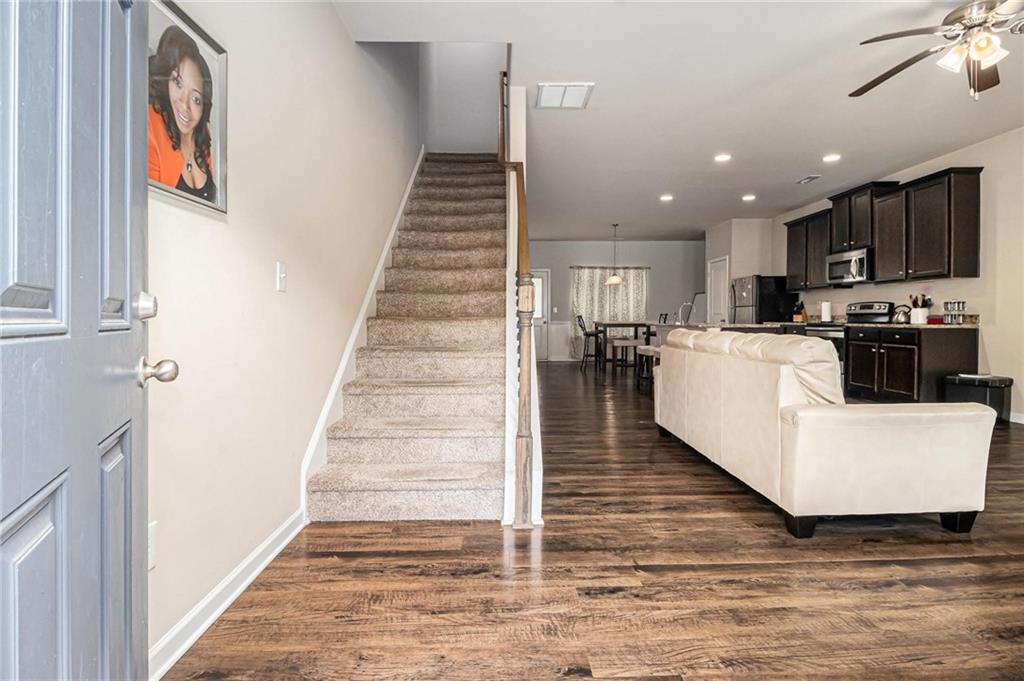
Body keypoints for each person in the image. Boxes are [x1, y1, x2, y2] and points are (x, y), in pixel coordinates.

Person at [148, 25, 216, 203]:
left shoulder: (203, 137)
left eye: (196, 99)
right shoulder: (151, 122)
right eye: (178, 84)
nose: (185, 105)